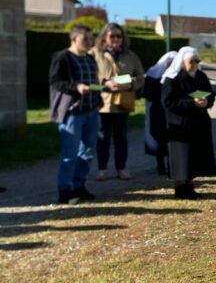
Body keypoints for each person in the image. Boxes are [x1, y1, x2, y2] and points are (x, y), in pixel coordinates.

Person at [48, 24, 105, 204]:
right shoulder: (62, 57)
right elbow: (56, 81)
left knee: (88, 151)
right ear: (74, 39)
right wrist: (76, 87)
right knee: (70, 153)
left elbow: (93, 81)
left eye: (91, 38)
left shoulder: (89, 58)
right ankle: (65, 190)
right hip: (72, 112)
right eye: (85, 39)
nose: (89, 42)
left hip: (91, 110)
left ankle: (79, 185)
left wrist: (102, 88)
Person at [91, 22, 146, 181]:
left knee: (121, 137)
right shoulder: (95, 53)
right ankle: (102, 169)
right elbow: (88, 78)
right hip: (102, 104)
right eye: (112, 36)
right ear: (104, 37)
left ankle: (121, 168)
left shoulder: (131, 55)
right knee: (103, 137)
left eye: (119, 36)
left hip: (123, 102)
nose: (116, 39)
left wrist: (130, 84)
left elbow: (140, 77)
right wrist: (104, 84)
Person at [161, 47, 216, 199]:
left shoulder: (200, 76)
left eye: (197, 61)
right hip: (180, 124)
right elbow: (168, 102)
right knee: (182, 158)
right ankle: (180, 189)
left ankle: (190, 187)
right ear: (182, 62)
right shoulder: (172, 78)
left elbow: (211, 93)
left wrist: (207, 101)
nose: (195, 64)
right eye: (191, 61)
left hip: (198, 123)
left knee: (193, 157)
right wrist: (192, 103)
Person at [143, 51, 176, 176]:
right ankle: (160, 165)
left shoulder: (176, 75)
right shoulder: (153, 75)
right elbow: (147, 94)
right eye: (169, 63)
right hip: (157, 112)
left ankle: (172, 165)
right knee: (159, 138)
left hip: (172, 111)